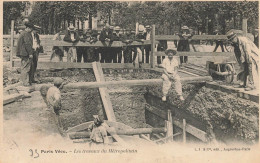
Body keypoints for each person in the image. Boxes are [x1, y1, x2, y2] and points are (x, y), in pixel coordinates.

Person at [16, 21, 34, 86]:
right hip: (25, 53)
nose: (32, 30)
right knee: (26, 68)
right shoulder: (26, 34)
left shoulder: (23, 33)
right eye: (31, 29)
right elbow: (27, 44)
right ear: (28, 28)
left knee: (24, 67)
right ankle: (25, 83)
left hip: (23, 53)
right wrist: (30, 53)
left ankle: (24, 81)